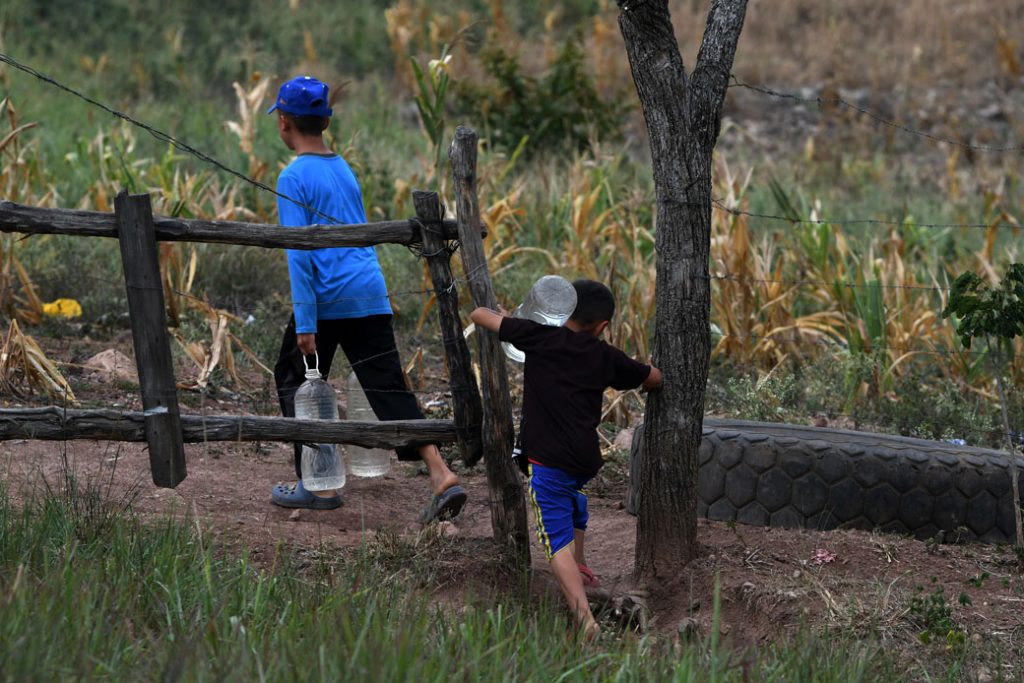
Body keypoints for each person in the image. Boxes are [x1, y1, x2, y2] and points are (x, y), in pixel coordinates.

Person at [266, 75, 466, 521]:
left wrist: (305, 321)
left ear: (284, 123)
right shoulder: (341, 166)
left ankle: (316, 487)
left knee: (293, 380)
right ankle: (439, 473)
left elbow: (300, 253)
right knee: (387, 387)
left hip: (328, 296)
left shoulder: (293, 175)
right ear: (325, 122)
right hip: (369, 291)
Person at [470, 280, 662, 639]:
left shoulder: (539, 336)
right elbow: (653, 377)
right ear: (602, 326)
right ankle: (583, 567)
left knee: (554, 538)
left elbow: (478, 315)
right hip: (582, 459)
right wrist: (650, 372)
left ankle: (586, 621)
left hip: (548, 460)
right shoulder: (606, 356)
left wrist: (511, 318)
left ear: (562, 310)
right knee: (575, 501)